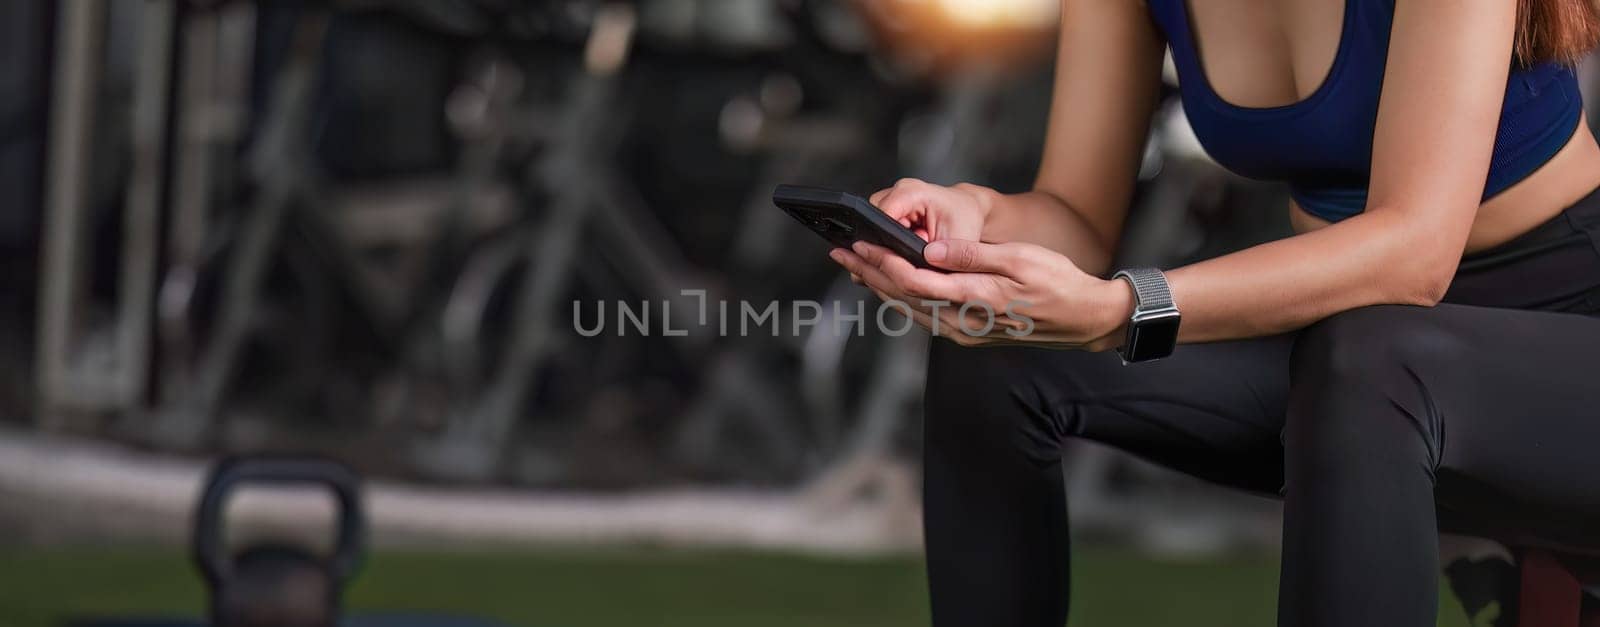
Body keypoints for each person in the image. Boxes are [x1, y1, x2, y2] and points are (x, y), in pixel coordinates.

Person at [826, 1, 1600, 626]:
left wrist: (1125, 310)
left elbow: (1413, 254)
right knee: (996, 340)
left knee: (1373, 355)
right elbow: (1075, 214)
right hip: (1352, 356)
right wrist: (974, 219)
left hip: (1563, 334)